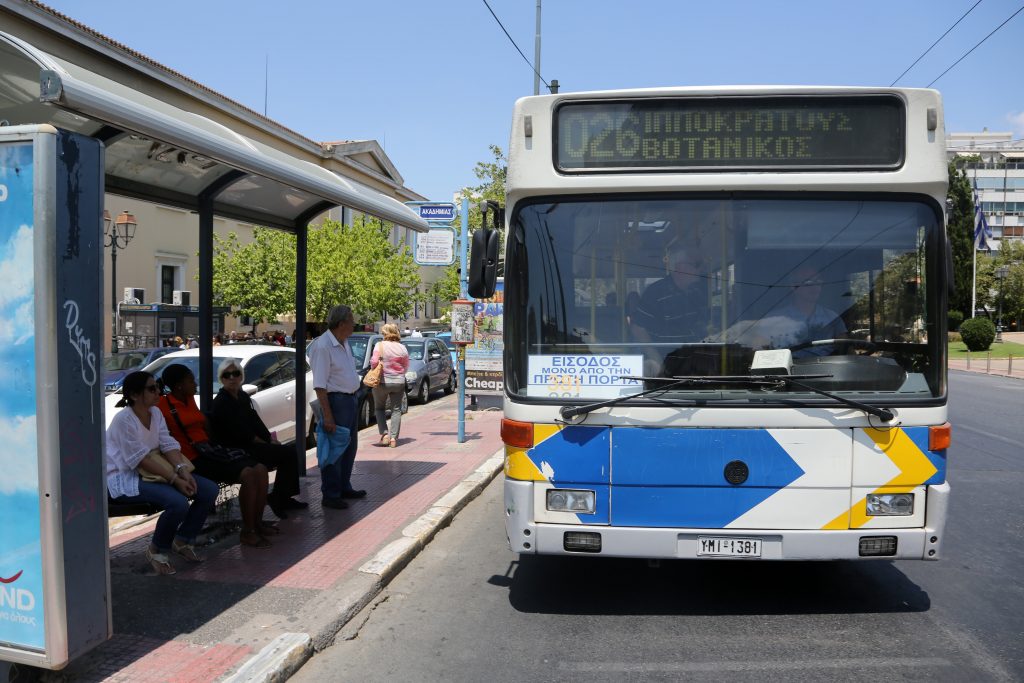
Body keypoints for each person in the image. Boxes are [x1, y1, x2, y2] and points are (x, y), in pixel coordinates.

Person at [106, 371, 218, 575]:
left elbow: (167, 444)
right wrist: (175, 479)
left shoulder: (156, 413)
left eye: (157, 386)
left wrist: (183, 471)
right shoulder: (124, 420)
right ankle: (157, 549)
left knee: (209, 490)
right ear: (134, 395)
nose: (158, 391)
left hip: (157, 471)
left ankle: (183, 540)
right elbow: (139, 459)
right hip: (127, 476)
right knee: (178, 503)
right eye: (151, 388)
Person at [158, 363, 276, 548]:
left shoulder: (190, 400)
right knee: (248, 474)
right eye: (191, 380)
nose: (195, 383)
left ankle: (256, 524)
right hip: (193, 459)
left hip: (209, 451)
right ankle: (248, 531)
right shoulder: (163, 405)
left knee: (260, 468)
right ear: (179, 385)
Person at [209, 357, 307, 518]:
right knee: (286, 454)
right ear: (222, 379)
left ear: (241, 376)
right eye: (227, 375)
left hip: (248, 444)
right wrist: (265, 443)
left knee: (289, 452)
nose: (232, 378)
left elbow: (255, 421)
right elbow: (241, 433)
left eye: (235, 374)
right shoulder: (222, 402)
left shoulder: (241, 396)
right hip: (236, 449)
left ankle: (284, 497)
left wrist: (269, 439)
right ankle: (278, 498)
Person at [308, 305, 366, 509]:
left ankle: (344, 486)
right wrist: (328, 415)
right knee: (334, 449)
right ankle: (331, 494)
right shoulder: (323, 346)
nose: (354, 324)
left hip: (350, 399)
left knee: (349, 447)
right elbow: (320, 386)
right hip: (336, 401)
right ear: (342, 323)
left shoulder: (344, 342)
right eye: (351, 321)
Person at [759, 266, 847, 357]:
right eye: (808, 283)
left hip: (828, 368)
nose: (814, 287)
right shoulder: (773, 320)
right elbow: (760, 351)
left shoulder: (832, 317)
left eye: (818, 282)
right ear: (793, 287)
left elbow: (845, 349)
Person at [369, 323, 410, 447]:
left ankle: (385, 434)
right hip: (398, 382)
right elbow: (406, 366)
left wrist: (374, 367)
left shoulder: (379, 345)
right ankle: (393, 438)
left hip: (382, 381)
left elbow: (374, 362)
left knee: (379, 408)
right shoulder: (402, 348)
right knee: (396, 409)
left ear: (385, 333)